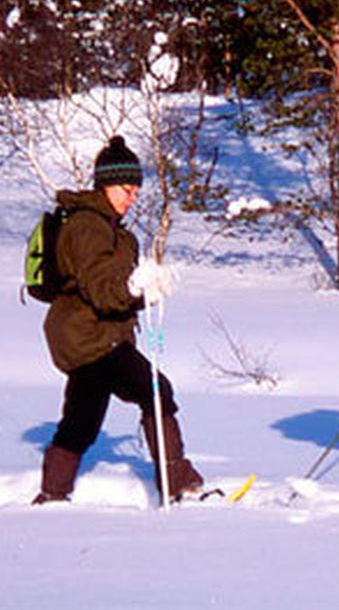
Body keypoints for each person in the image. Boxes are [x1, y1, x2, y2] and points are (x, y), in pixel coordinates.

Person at [33, 135, 204, 505]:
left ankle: (52, 493)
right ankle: (178, 483)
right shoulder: (87, 226)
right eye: (126, 189)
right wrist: (133, 287)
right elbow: (102, 289)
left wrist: (146, 289)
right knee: (156, 391)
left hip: (88, 335)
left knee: (82, 418)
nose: (132, 198)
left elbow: (116, 290)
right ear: (105, 185)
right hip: (90, 337)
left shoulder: (115, 231)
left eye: (136, 191)